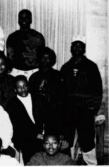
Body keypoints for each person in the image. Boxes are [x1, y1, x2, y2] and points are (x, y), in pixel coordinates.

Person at [60, 37, 105, 165]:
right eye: (75, 45)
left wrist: (93, 108)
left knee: (87, 141)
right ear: (70, 48)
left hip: (85, 110)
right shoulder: (65, 68)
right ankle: (68, 162)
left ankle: (91, 163)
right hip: (68, 111)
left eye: (80, 46)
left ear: (84, 49)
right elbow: (60, 92)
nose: (77, 48)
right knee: (67, 139)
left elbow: (98, 89)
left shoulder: (91, 67)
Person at [7, 75, 44, 164]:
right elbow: (18, 126)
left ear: (28, 86)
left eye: (24, 86)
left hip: (41, 135)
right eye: (19, 87)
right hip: (24, 137)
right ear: (15, 89)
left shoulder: (38, 98)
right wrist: (36, 135)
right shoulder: (12, 104)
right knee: (32, 158)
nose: (22, 89)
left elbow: (46, 117)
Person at [28, 47, 64, 135]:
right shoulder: (33, 77)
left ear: (52, 60)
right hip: (37, 112)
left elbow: (62, 96)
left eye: (48, 58)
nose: (45, 60)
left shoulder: (57, 75)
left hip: (54, 113)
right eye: (42, 57)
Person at [7, 9, 45, 79]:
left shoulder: (38, 36)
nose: (24, 20)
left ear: (31, 20)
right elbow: (9, 57)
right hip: (16, 72)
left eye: (26, 18)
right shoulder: (12, 37)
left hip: (34, 72)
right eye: (21, 18)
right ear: (18, 20)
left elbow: (42, 57)